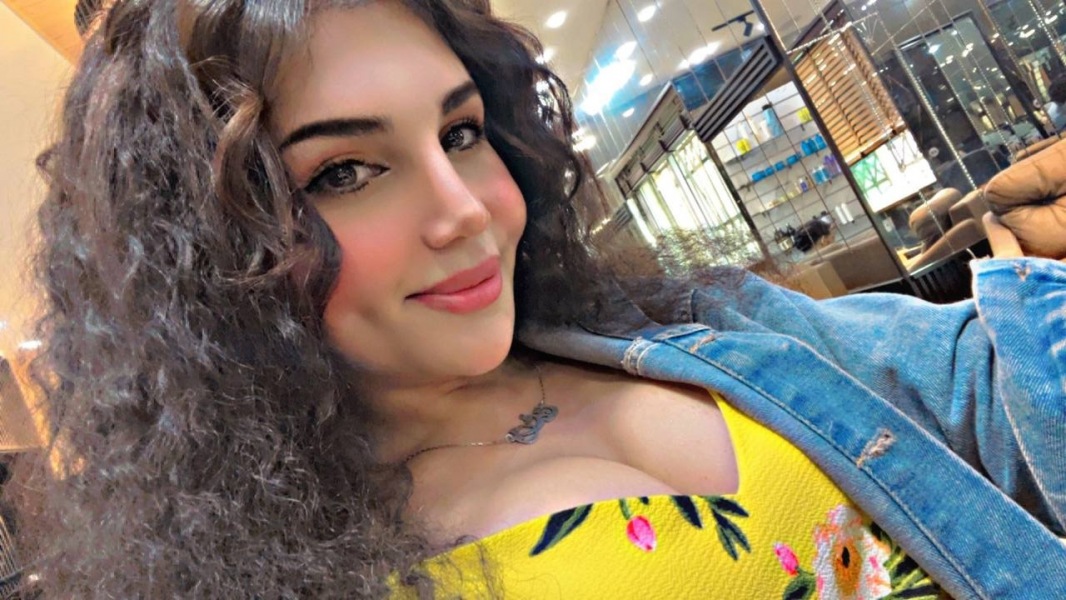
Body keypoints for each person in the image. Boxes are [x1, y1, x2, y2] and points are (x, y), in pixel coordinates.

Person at [9, 0, 1066, 598]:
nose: (464, 207)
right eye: (344, 171)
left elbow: (985, 387)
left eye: (461, 132)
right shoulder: (291, 566)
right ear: (210, 258)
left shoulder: (669, 323)